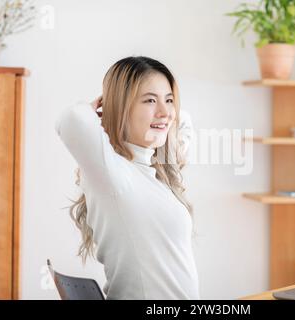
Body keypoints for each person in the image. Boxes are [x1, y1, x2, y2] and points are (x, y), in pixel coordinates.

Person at [55, 56, 199, 300]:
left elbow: (183, 122)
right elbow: (71, 119)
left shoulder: (152, 171)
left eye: (169, 100)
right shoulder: (114, 175)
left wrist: (160, 107)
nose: (165, 112)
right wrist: (105, 108)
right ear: (121, 107)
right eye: (150, 100)